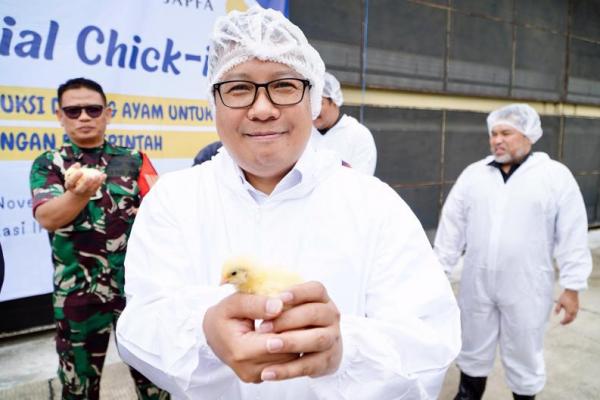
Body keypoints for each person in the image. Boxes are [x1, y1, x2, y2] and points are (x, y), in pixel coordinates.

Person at [116, 6, 460, 400]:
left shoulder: (375, 205)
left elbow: (430, 340)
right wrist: (204, 330)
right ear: (214, 103)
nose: (262, 108)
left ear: (312, 100)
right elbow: (139, 324)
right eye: (239, 87)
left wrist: (345, 351)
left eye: (283, 85)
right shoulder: (174, 201)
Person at [434, 104, 592, 400]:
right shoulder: (474, 175)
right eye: (493, 134)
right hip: (477, 283)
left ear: (528, 135)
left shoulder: (554, 177)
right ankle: (467, 395)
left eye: (506, 133)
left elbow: (572, 233)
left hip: (527, 286)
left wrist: (572, 286)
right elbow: (451, 228)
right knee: (472, 347)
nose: (497, 140)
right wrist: (438, 272)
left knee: (524, 351)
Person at [29, 77, 167, 400]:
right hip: (78, 298)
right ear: (60, 115)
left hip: (136, 294)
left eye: (93, 109)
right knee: (79, 390)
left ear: (107, 113)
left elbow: (162, 216)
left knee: (157, 385)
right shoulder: (50, 164)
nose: (84, 117)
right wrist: (79, 193)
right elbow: (47, 216)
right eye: (73, 111)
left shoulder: (134, 160)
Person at [311, 71, 377, 175]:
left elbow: (361, 182)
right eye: (309, 103)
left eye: (319, 103)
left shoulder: (358, 135)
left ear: (334, 101)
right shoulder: (304, 134)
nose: (313, 110)